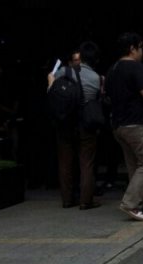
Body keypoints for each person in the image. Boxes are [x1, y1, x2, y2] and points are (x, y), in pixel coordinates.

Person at [104, 32, 143, 221]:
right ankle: (131, 203)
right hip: (140, 124)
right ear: (133, 49)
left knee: (136, 166)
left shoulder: (113, 69)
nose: (142, 51)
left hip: (119, 125)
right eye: (140, 47)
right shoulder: (135, 67)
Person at [47, 43, 103, 209]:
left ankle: (67, 199)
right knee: (87, 162)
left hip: (65, 122)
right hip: (86, 123)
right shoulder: (96, 77)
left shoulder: (63, 72)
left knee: (65, 162)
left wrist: (50, 80)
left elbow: (52, 93)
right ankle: (86, 200)